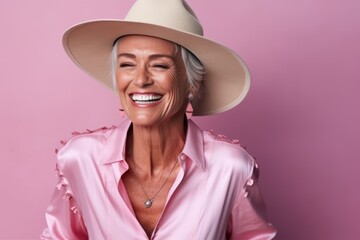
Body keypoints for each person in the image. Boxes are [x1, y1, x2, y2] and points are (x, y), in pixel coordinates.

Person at [41, 0, 276, 239]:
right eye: (127, 64)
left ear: (193, 83)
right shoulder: (80, 161)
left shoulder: (230, 169)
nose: (140, 79)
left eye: (160, 65)